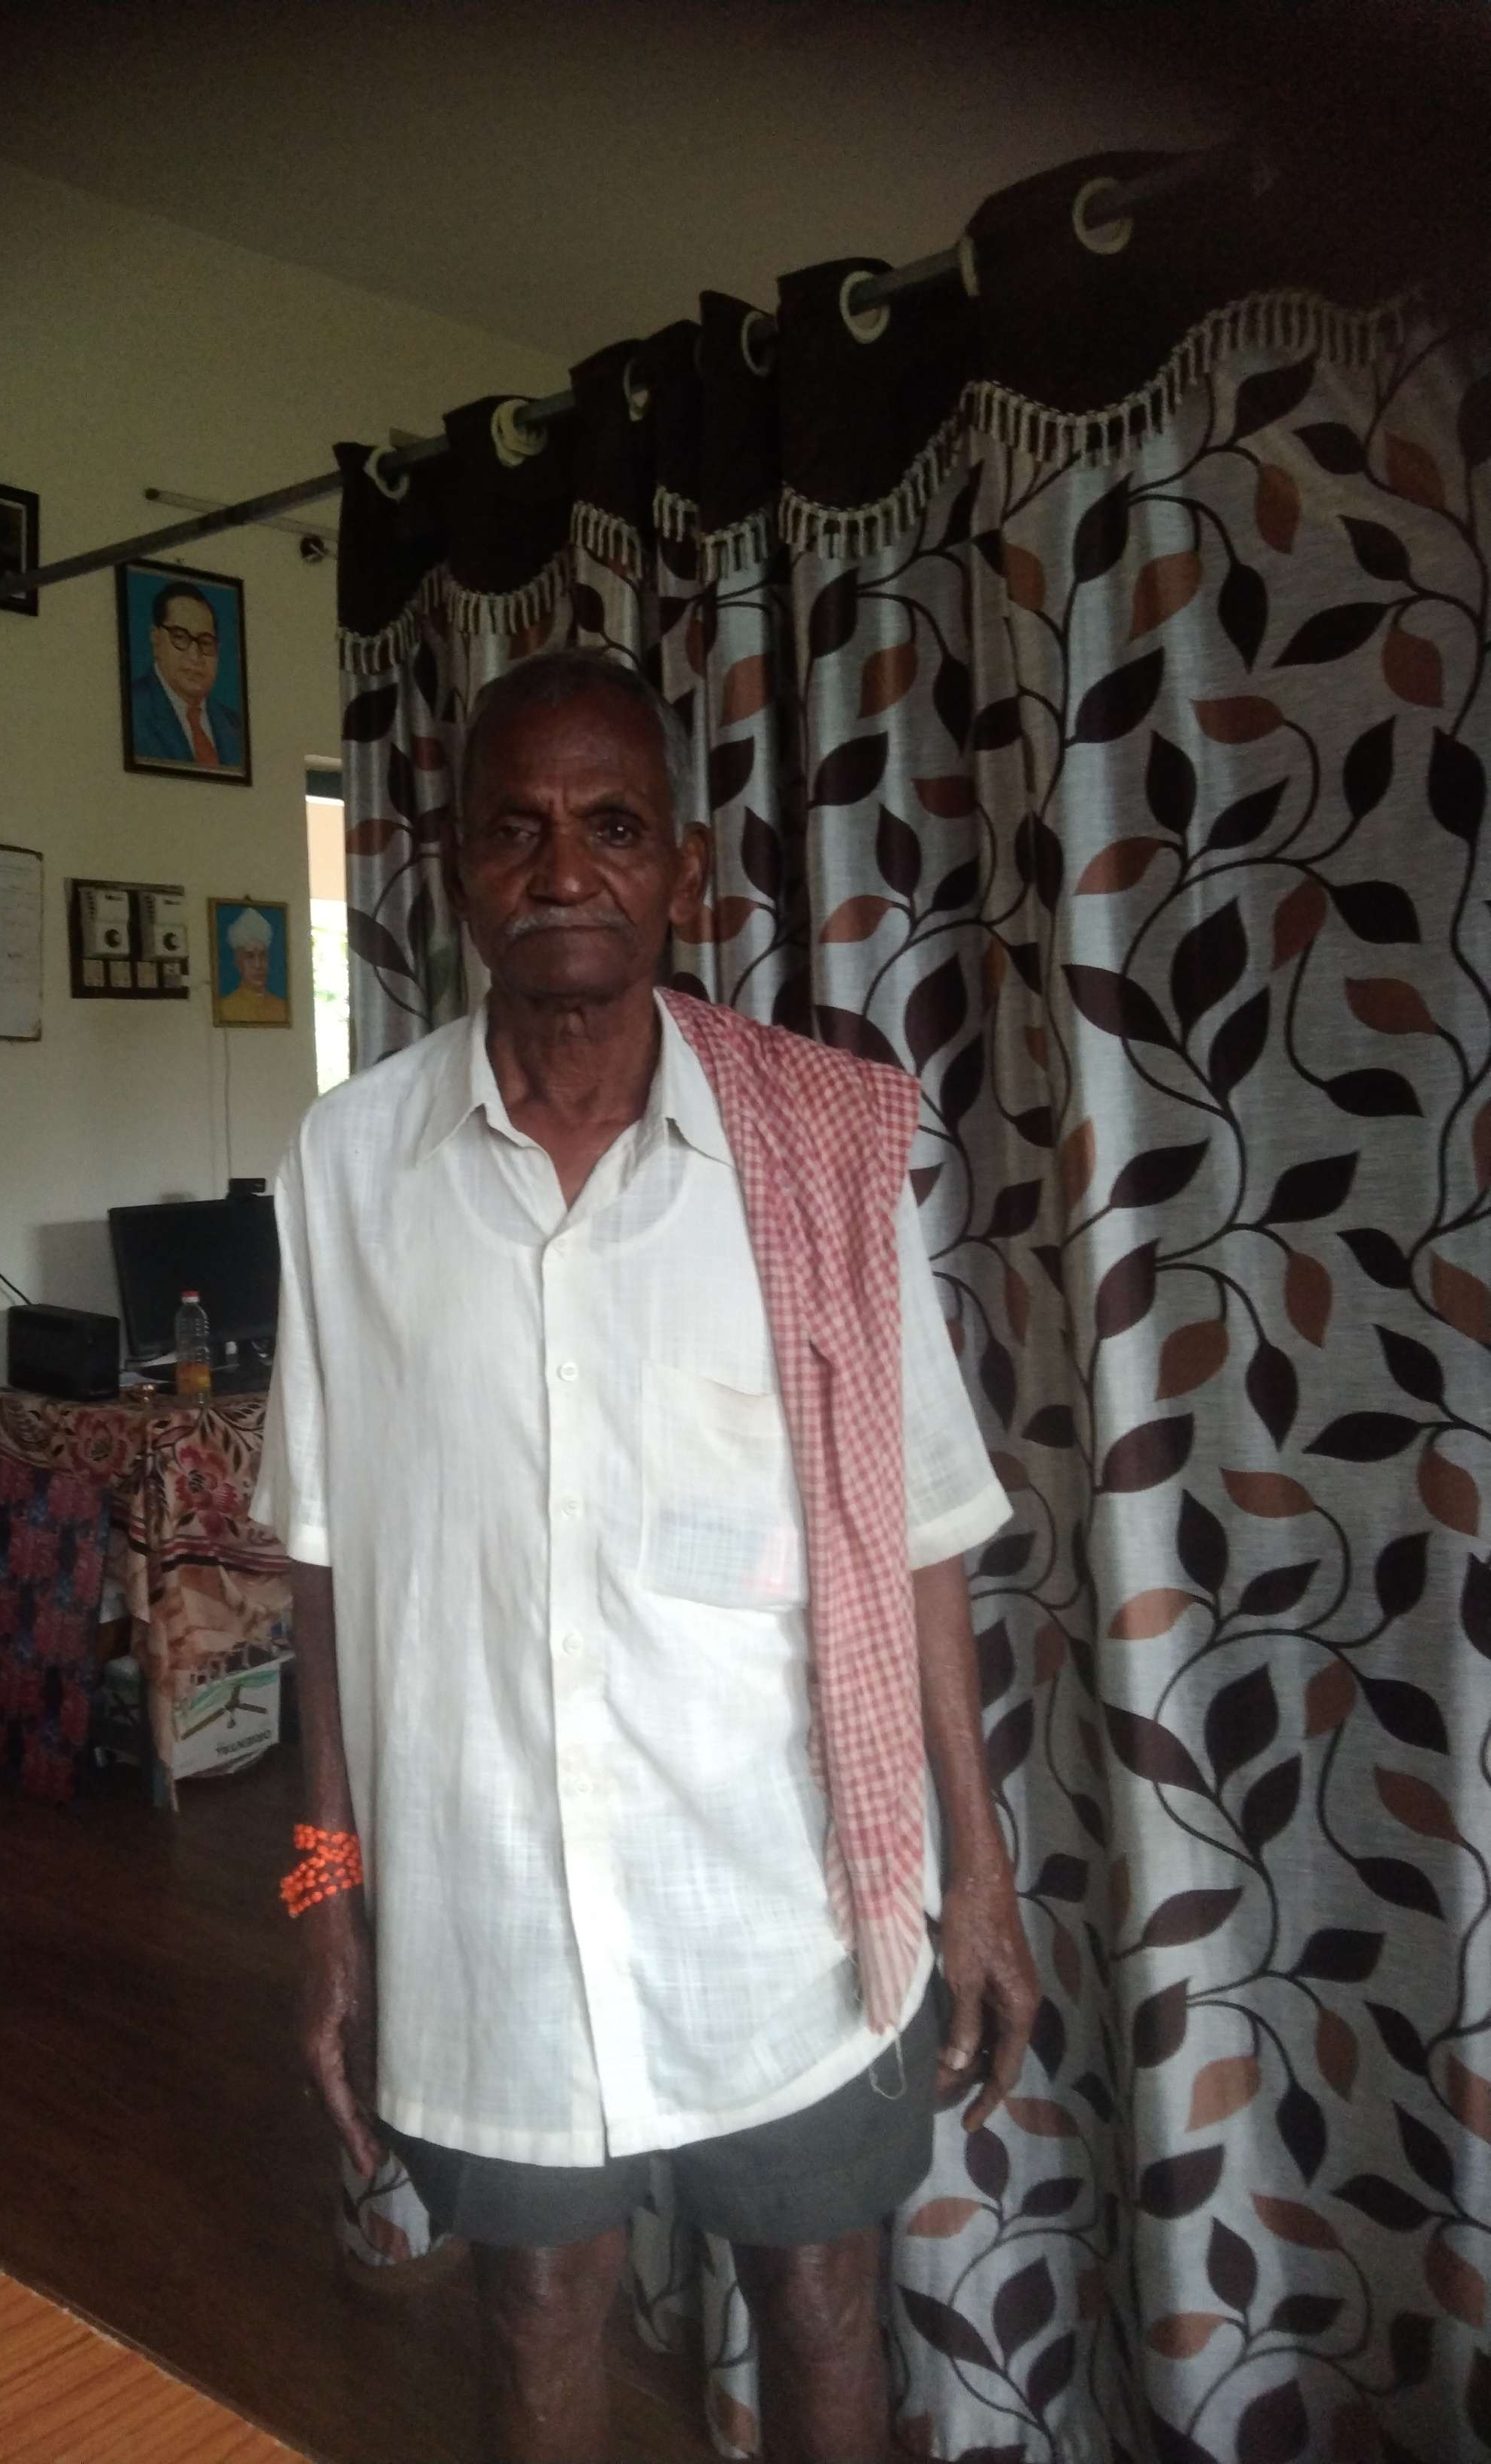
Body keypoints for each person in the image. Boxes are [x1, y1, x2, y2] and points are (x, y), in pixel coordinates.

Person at [256, 648, 1039, 2464]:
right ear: (455, 868)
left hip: (786, 1907)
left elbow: (920, 1525)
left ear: (684, 870)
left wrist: (979, 1869)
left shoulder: (815, 1151)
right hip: (487, 1917)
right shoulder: (350, 1165)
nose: (562, 872)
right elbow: (322, 1566)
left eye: (611, 828)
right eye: (515, 831)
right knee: (534, 2306)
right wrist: (322, 1896)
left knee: (821, 2300)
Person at [128, 578, 245, 770]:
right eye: (180, 637)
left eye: (206, 642)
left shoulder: (236, 726)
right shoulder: (131, 710)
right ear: (156, 639)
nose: (195, 655)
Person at [217, 905, 288, 1024]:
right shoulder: (224, 1008)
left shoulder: (282, 1008)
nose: (258, 965)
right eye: (250, 956)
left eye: (263, 956)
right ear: (238, 962)